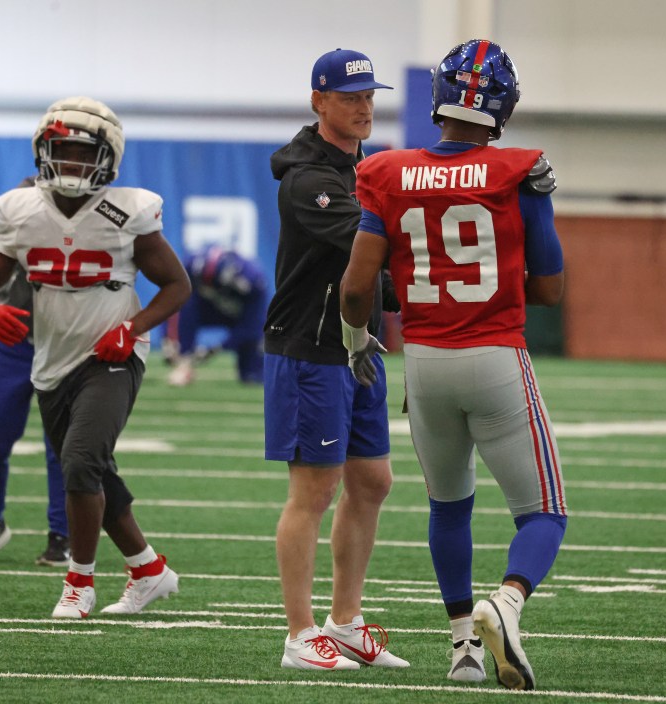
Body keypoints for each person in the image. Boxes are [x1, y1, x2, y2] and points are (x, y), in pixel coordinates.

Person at [340, 40, 567, 691]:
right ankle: (509, 603)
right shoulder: (517, 170)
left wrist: (358, 339)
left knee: (449, 505)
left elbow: (357, 289)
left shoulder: (387, 170)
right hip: (494, 353)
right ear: (504, 103)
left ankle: (463, 648)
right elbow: (550, 290)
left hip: (426, 362)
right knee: (544, 512)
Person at [0, 96, 192, 619]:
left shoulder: (127, 210)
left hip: (112, 353)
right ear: (43, 152)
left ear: (106, 159)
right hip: (52, 358)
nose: (69, 164)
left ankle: (78, 582)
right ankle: (149, 570)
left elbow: (177, 286)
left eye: (81, 154)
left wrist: (132, 329)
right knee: (92, 468)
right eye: (60, 151)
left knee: (81, 461)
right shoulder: (19, 210)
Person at [264, 49, 408, 671]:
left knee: (373, 482)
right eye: (350, 96)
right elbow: (373, 245)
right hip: (310, 347)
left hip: (358, 349)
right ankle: (300, 633)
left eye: (369, 95)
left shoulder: (364, 169)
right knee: (313, 492)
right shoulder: (309, 180)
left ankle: (344, 621)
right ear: (319, 100)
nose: (364, 106)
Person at [0, 257, 70, 566]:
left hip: (68, 341)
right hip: (9, 337)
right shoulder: (19, 212)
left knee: (63, 445)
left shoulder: (99, 216)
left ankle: (63, 534)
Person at [166, 244, 268, 386]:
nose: (209, 290)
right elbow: (173, 300)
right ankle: (184, 360)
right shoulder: (190, 266)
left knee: (251, 376)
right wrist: (170, 338)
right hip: (207, 309)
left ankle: (250, 368)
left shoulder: (252, 279)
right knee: (186, 304)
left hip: (239, 315)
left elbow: (252, 326)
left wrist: (216, 348)